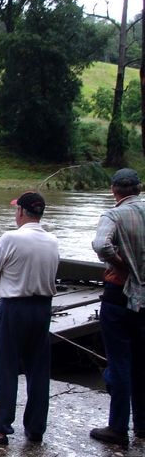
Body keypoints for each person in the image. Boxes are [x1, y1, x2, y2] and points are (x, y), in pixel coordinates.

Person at [0, 191, 59, 446]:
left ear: (23, 212)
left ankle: (0, 428)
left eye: (17, 210)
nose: (16, 214)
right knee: (38, 370)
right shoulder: (53, 240)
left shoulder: (10, 238)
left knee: (6, 368)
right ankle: (36, 429)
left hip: (14, 307)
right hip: (43, 308)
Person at [89, 168, 145, 447]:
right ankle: (143, 424)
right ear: (139, 187)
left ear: (114, 190)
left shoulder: (113, 215)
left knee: (120, 362)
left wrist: (121, 263)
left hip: (119, 294)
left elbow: (101, 244)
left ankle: (118, 428)